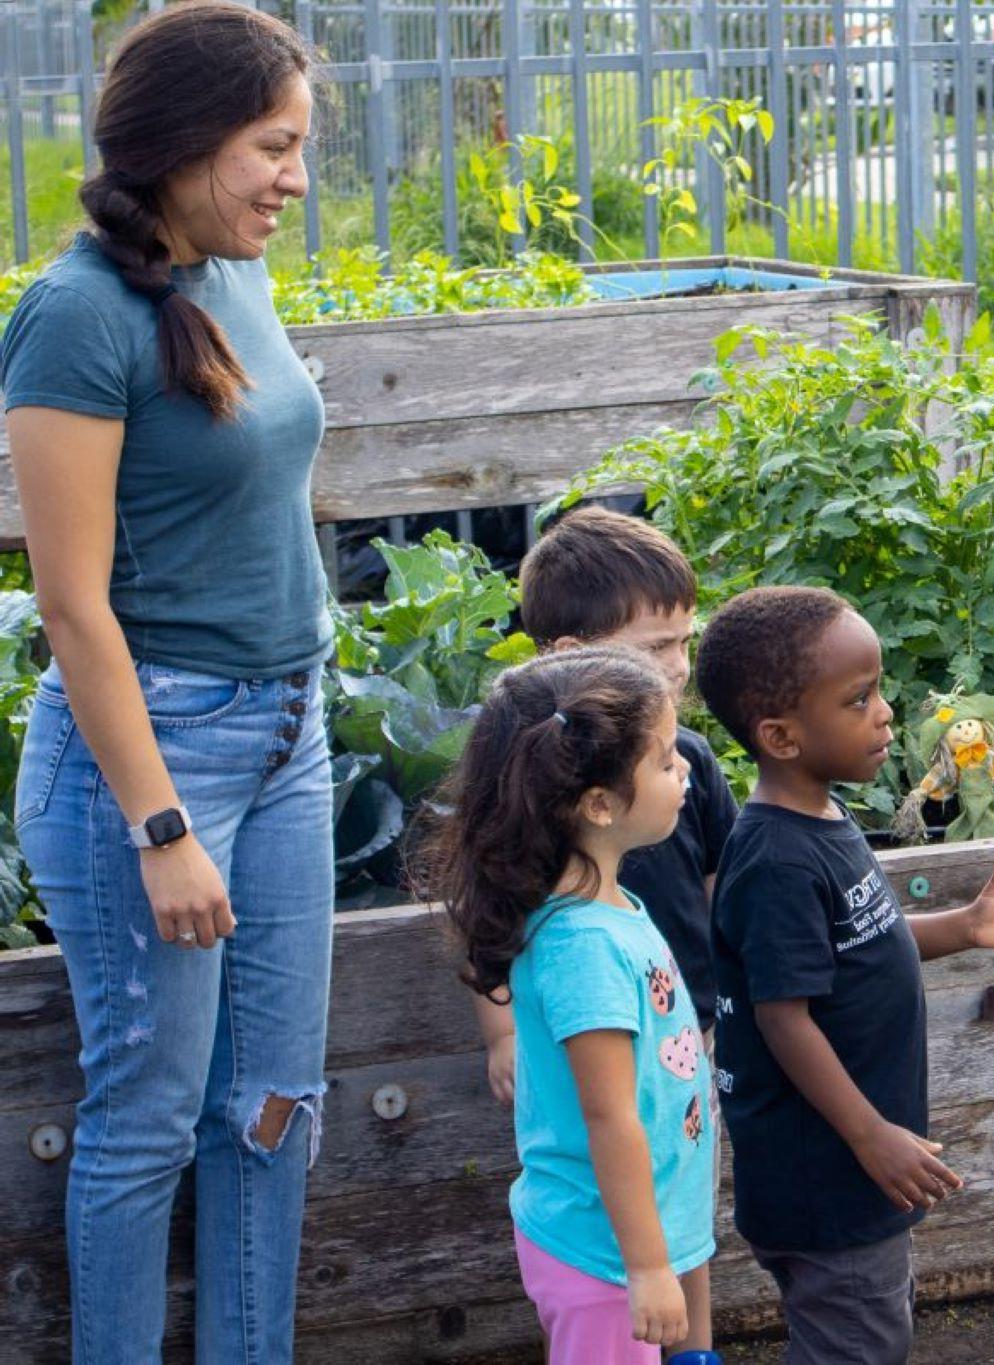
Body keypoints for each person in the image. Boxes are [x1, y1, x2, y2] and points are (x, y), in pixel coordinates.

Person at [0, 5, 331, 1357]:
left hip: (287, 739)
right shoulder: (76, 313)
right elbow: (72, 605)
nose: (296, 181)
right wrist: (161, 829)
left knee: (273, 1104)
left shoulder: (227, 273)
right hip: (151, 761)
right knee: (146, 1126)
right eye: (274, 146)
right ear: (188, 143)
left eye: (301, 146)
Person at [697, 586, 994, 1364]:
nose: (884, 711)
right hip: (826, 1172)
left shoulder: (819, 815)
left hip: (849, 1169)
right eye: (858, 698)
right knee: (857, 1341)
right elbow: (784, 1017)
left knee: (869, 1328)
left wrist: (965, 927)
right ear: (780, 734)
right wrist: (871, 1136)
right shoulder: (776, 859)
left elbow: (854, 943)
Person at [437, 647, 718, 1361]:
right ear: (598, 804)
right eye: (663, 761)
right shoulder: (584, 946)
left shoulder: (611, 906)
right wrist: (649, 1268)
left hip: (625, 1242)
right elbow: (609, 1115)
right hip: (607, 1258)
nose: (685, 769)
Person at [472, 505, 738, 1105]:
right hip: (572, 1041)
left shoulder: (687, 760)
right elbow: (488, 905)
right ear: (571, 652)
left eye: (684, 643)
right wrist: (502, 1035)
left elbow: (724, 886)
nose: (678, 667)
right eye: (656, 648)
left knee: (682, 1165)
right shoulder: (527, 775)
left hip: (690, 1028)